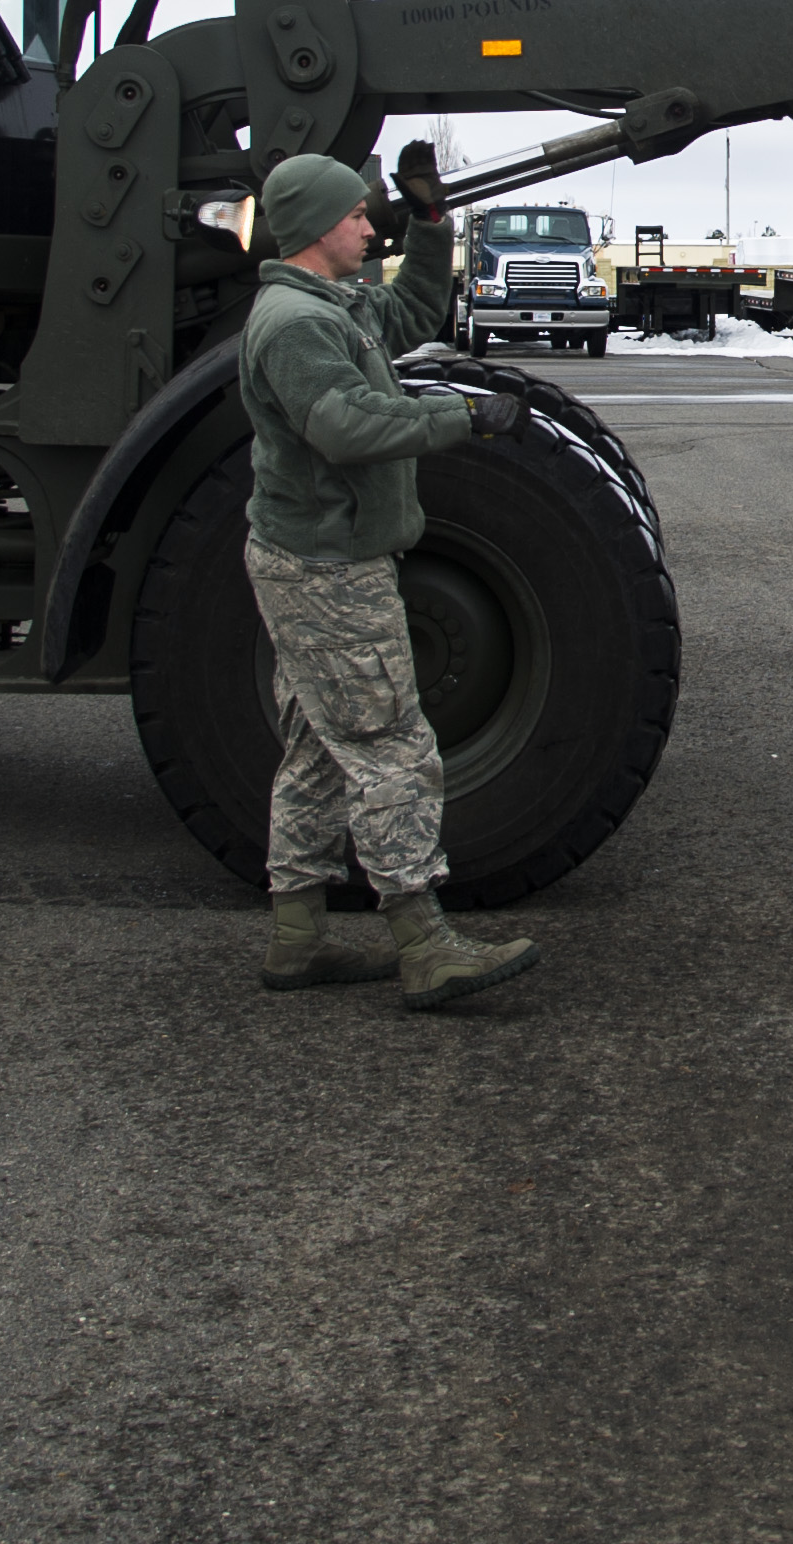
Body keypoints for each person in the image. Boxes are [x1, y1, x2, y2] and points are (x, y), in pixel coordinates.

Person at [235, 142, 543, 1010]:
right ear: (310, 229)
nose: (371, 225)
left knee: (317, 752)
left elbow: (408, 311)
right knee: (391, 747)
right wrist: (463, 416)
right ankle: (423, 943)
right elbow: (347, 426)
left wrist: (435, 225)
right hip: (328, 570)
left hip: (319, 558)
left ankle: (298, 941)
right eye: (357, 215)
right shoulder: (295, 326)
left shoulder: (328, 305)